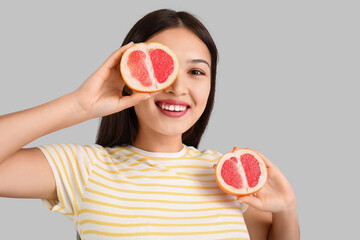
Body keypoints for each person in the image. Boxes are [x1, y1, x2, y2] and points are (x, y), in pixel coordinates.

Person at [0, 9, 299, 240]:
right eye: (162, 68)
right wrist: (80, 105)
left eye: (196, 71)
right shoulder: (85, 168)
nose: (178, 88)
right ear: (131, 74)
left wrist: (286, 210)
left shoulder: (230, 177)